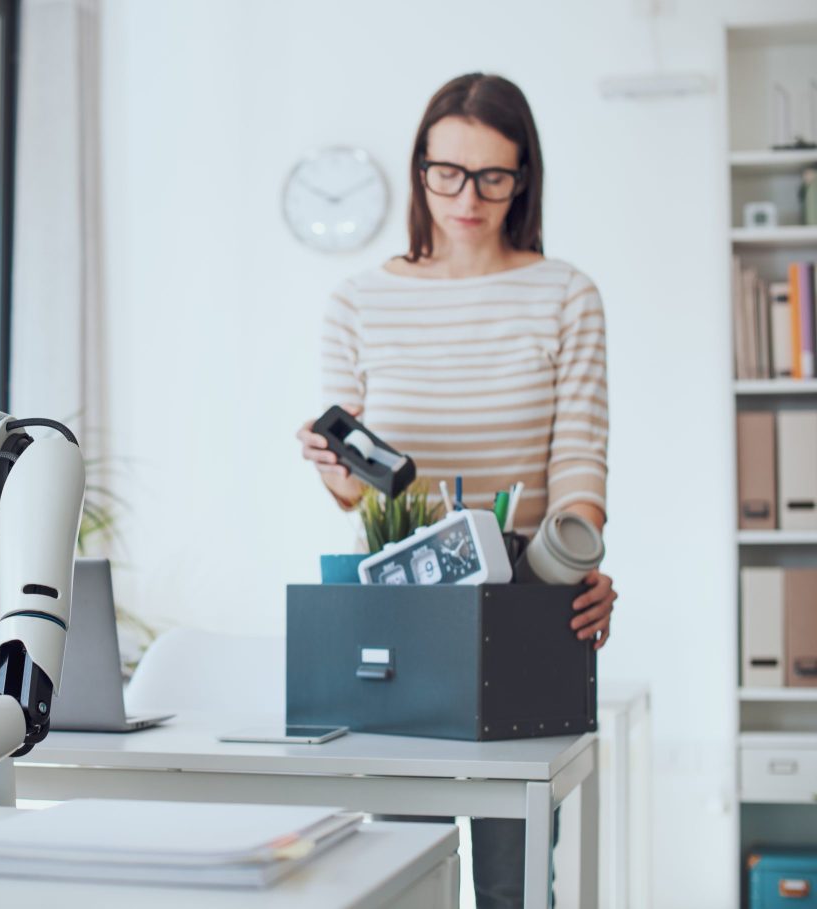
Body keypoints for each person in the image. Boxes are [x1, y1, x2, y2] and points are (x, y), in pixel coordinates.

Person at [295, 73, 616, 908]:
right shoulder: (358, 300)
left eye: (493, 177)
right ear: (420, 168)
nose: (468, 198)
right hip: (401, 604)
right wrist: (339, 475)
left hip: (523, 595)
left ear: (523, 177)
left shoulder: (566, 294)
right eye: (448, 173)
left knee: (516, 886)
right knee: (407, 871)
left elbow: (579, 468)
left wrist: (579, 565)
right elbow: (358, 500)